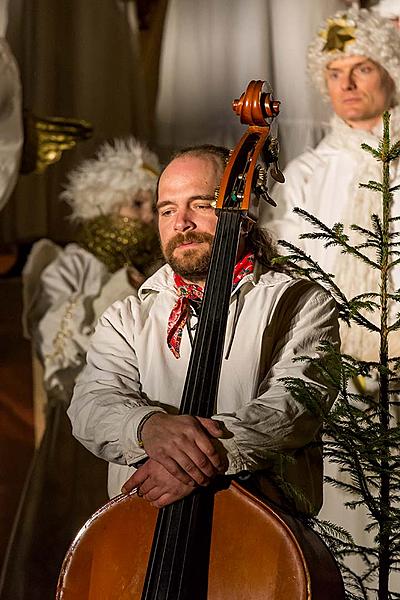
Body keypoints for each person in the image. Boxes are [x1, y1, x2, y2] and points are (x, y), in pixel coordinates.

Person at [68, 144, 340, 517]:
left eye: (199, 204)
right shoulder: (126, 317)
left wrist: (188, 462)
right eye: (167, 210)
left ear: (241, 213)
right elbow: (91, 404)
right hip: (143, 529)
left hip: (259, 530)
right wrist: (148, 427)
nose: (181, 223)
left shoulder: (299, 302)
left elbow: (294, 407)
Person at [263, 4, 400, 590]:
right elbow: (287, 276)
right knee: (346, 522)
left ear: (391, 73)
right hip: (335, 380)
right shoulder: (308, 173)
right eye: (334, 71)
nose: (345, 84)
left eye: (362, 68)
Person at [0, 137, 161, 600]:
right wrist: (117, 288)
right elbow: (60, 348)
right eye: (136, 204)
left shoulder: (156, 266)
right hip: (77, 429)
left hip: (142, 421)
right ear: (105, 204)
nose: (148, 217)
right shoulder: (71, 264)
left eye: (152, 205)